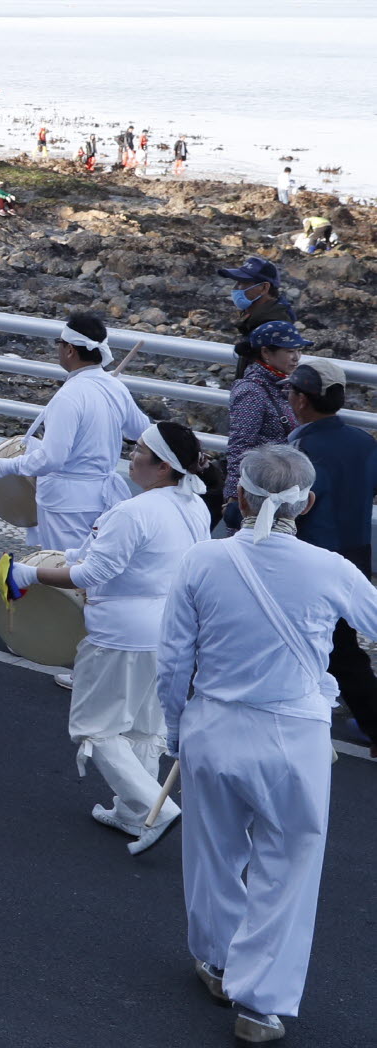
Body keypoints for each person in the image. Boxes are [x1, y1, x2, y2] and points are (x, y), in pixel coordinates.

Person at [157, 444, 377, 1048]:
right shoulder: (330, 568)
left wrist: (175, 730)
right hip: (294, 735)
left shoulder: (202, 560)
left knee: (214, 852)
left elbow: (173, 660)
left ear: (240, 495)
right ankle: (260, 1004)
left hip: (213, 724)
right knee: (289, 868)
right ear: (307, 504)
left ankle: (216, 961)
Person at [0, 420, 210, 842]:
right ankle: (133, 814)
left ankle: (157, 807)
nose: (132, 455)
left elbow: (91, 573)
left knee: (95, 726)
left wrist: (30, 574)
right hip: (170, 632)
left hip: (121, 635)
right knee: (143, 728)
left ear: (164, 466)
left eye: (140, 450)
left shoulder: (134, 512)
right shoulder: (193, 506)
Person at [0, 313, 146, 562]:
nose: (58, 350)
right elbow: (142, 431)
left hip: (67, 505)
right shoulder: (115, 387)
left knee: (63, 569)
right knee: (92, 568)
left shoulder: (69, 396)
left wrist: (6, 466)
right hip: (104, 498)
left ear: (70, 350)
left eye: (59, 344)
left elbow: (52, 459)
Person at [282, 357, 377, 742]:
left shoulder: (301, 448)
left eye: (291, 392)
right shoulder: (363, 441)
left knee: (337, 646)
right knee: (341, 638)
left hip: (315, 557)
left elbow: (288, 503)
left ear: (302, 400)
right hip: (357, 552)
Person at [226, 320, 308, 512]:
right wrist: (234, 497)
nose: (296, 358)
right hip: (261, 490)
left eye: (299, 350)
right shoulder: (251, 391)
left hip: (283, 485)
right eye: (290, 351)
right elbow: (240, 445)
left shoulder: (281, 383)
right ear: (266, 353)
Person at [220, 257, 293, 375]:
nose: (236, 289)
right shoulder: (257, 318)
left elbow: (272, 375)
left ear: (264, 288)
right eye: (237, 282)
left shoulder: (273, 326)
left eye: (243, 283)